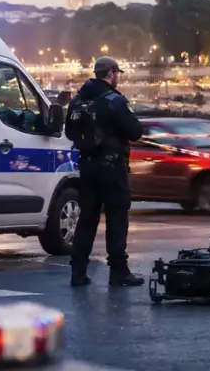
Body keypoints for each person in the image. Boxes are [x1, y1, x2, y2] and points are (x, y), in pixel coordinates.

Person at [69, 56, 144, 288]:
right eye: (117, 73)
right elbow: (135, 131)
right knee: (117, 217)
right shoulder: (114, 100)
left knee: (87, 219)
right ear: (111, 74)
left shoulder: (78, 100)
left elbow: (69, 131)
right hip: (112, 167)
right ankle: (118, 271)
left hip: (87, 166)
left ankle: (78, 272)